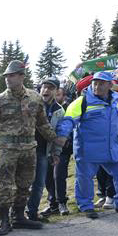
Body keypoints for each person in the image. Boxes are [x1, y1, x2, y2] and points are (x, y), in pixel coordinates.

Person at [0, 60, 59, 236]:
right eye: (6, 76)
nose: (8, 79)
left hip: (29, 148)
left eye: (12, 75)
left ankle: (19, 216)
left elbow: (42, 123)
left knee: (25, 184)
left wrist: (55, 139)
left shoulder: (35, 98)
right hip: (7, 150)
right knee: (5, 186)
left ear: (22, 76)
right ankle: (4, 221)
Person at [56, 71, 118, 218]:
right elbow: (68, 120)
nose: (97, 86)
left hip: (114, 148)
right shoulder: (81, 102)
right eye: (94, 83)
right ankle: (86, 206)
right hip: (88, 149)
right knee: (84, 177)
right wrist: (62, 136)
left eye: (101, 83)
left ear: (110, 85)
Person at [76, 56, 118, 197]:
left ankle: (116, 196)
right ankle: (102, 193)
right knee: (101, 167)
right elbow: (80, 86)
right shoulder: (110, 79)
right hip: (101, 132)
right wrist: (98, 75)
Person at [26, 77, 64, 221]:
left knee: (39, 184)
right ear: (40, 88)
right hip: (25, 149)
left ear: (56, 91)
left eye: (51, 88)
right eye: (44, 87)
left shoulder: (59, 111)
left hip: (43, 151)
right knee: (23, 182)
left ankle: (32, 213)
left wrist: (56, 153)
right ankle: (16, 213)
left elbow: (59, 133)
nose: (46, 90)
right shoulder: (31, 103)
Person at [43, 85, 73, 216]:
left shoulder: (66, 109)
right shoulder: (41, 108)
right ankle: (52, 204)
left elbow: (68, 126)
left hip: (63, 149)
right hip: (46, 148)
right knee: (47, 177)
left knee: (59, 176)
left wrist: (63, 140)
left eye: (59, 94)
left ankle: (62, 202)